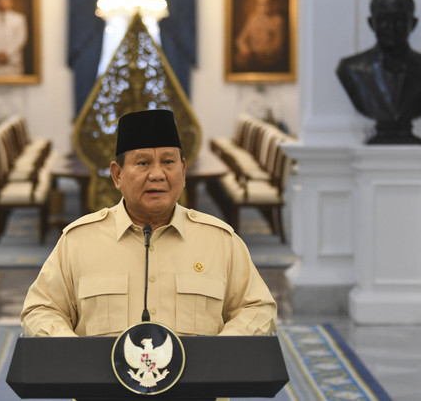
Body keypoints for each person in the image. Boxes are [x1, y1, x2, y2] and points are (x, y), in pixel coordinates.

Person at [21, 109, 277, 337]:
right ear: (117, 175)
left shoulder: (220, 241)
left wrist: (216, 355)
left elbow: (257, 307)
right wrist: (77, 355)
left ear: (183, 171)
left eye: (168, 162)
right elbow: (41, 308)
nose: (157, 174)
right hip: (103, 390)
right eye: (143, 163)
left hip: (199, 390)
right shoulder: (78, 241)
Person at [336, 0, 421, 144]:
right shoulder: (351, 69)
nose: (391, 27)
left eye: (399, 19)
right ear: (371, 23)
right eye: (383, 20)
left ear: (413, 24)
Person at [234, 0, 286, 72]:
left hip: (268, 60)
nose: (263, 7)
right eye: (260, 4)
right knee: (239, 62)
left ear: (272, 4)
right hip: (251, 57)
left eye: (266, 3)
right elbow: (241, 39)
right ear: (256, 5)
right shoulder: (252, 18)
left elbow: (277, 47)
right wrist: (243, 47)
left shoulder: (278, 21)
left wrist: (256, 52)